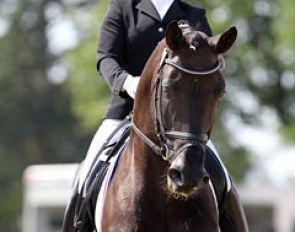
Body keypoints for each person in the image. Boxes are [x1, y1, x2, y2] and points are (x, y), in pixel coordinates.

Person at [77, 0, 248, 231]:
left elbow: (207, 62)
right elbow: (106, 58)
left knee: (224, 181)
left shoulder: (194, 15)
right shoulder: (123, 8)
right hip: (124, 112)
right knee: (86, 180)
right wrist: (128, 83)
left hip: (181, 123)